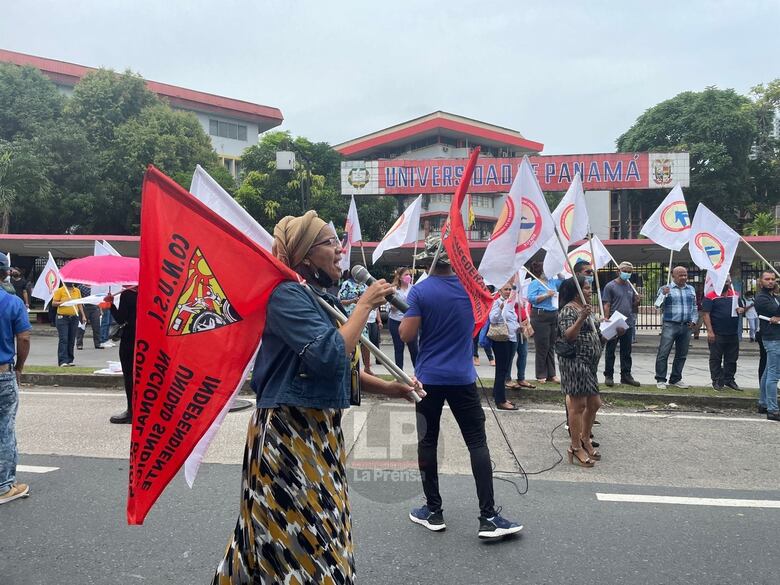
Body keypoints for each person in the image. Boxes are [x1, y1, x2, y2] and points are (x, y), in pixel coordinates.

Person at [213, 211, 420, 584]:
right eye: (329, 242)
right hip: (286, 435)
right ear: (306, 255)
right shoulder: (286, 296)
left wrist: (391, 388)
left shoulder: (317, 297)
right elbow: (328, 356)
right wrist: (363, 306)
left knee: (320, 529)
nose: (340, 249)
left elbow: (342, 363)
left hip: (319, 433)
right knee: (297, 537)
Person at [401, 236, 522, 539]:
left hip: (428, 378)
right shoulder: (471, 291)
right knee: (477, 444)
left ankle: (433, 510)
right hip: (463, 377)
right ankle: (488, 516)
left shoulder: (420, 291)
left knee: (427, 442)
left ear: (428, 260)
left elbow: (406, 334)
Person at [558, 276, 609, 467]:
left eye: (589, 288)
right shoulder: (568, 310)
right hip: (575, 362)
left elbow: (595, 335)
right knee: (577, 406)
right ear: (575, 290)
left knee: (594, 403)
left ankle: (585, 438)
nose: (590, 291)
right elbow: (569, 336)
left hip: (590, 363)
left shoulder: (586, 309)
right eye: (586, 288)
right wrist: (581, 318)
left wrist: (611, 332)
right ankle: (575, 446)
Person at [0, 288, 32, 505]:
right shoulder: (12, 302)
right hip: (2, 373)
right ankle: (4, 486)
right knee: (4, 428)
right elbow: (23, 338)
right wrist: (19, 367)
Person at [654, 266, 697, 390]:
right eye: (680, 275)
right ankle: (661, 379)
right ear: (673, 276)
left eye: (685, 275)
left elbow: (694, 307)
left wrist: (694, 321)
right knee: (663, 353)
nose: (684, 277)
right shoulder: (665, 289)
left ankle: (676, 378)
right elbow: (657, 305)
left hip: (686, 326)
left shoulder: (691, 289)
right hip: (670, 325)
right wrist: (663, 295)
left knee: (682, 354)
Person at [601, 261, 641, 387]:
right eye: (625, 271)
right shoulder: (610, 286)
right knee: (610, 350)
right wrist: (607, 319)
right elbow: (606, 303)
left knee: (626, 351)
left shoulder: (630, 286)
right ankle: (609, 375)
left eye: (629, 272)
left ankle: (626, 375)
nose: (627, 274)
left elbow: (632, 305)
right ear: (618, 271)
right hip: (614, 322)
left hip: (627, 323)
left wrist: (637, 301)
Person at [701, 276, 743, 391]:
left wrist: (741, 310)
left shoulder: (735, 295)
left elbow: (741, 308)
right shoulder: (710, 296)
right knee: (716, 358)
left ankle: (729, 379)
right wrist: (710, 331)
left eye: (727, 281)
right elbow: (706, 314)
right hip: (717, 333)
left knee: (732, 358)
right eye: (723, 281)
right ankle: (717, 380)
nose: (726, 283)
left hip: (732, 333)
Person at [105, 287, 137, 424]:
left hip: (131, 337)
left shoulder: (128, 294)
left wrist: (110, 305)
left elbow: (121, 319)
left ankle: (131, 410)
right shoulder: (153, 291)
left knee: (129, 375)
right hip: (150, 338)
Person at [527, 261, 562, 383]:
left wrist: (560, 273)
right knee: (542, 346)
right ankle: (541, 374)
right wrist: (546, 295)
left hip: (553, 314)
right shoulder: (535, 283)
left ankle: (551, 374)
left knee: (551, 345)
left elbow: (563, 284)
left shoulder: (552, 281)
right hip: (540, 315)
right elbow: (531, 299)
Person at [488, 282, 520, 410]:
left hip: (510, 338)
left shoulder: (510, 303)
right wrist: (500, 308)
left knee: (505, 369)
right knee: (501, 370)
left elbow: (512, 320)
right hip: (501, 339)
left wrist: (519, 328)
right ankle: (500, 400)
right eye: (505, 289)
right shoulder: (497, 302)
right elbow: (493, 319)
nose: (508, 291)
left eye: (510, 289)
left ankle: (499, 395)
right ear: (499, 291)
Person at [754, 270, 780, 421]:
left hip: (776, 337)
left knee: (767, 372)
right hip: (772, 338)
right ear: (761, 281)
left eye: (773, 279)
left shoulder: (774, 296)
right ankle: (773, 409)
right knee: (774, 374)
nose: (770, 281)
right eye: (767, 279)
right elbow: (773, 312)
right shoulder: (761, 298)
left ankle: (763, 403)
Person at [339, 270, 375, 375]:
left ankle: (367, 367)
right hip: (349, 317)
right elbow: (341, 301)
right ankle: (352, 367)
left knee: (366, 342)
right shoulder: (347, 284)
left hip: (363, 317)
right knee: (353, 342)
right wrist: (353, 300)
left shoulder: (364, 285)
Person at [386, 267, 418, 369]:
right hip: (395, 321)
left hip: (410, 321)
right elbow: (387, 306)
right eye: (406, 275)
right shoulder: (393, 289)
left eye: (409, 274)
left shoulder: (414, 289)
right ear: (399, 277)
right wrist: (393, 306)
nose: (408, 277)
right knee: (398, 348)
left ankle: (418, 374)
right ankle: (400, 376)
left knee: (414, 349)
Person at [51, 282, 86, 367]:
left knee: (71, 339)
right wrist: (63, 302)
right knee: (64, 339)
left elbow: (79, 303)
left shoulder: (77, 291)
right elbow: (53, 303)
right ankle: (62, 360)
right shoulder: (60, 290)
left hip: (74, 317)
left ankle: (70, 359)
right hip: (62, 317)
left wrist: (83, 315)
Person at [75, 284, 102, 350]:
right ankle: (79, 344)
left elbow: (99, 298)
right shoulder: (80, 287)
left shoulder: (96, 287)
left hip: (95, 308)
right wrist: (82, 313)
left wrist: (100, 309)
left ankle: (97, 344)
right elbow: (79, 300)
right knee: (81, 327)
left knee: (97, 327)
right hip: (84, 308)